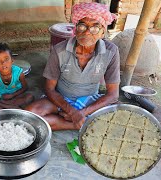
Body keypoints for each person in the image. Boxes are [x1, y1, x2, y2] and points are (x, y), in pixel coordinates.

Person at [26, 2, 120, 130]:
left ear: (102, 32)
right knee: (31, 114)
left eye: (95, 28)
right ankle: (83, 124)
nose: (87, 32)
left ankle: (74, 121)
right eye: (82, 26)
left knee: (119, 116)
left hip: (90, 100)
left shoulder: (111, 51)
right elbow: (49, 89)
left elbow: (113, 94)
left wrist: (82, 113)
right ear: (75, 29)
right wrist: (72, 112)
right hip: (62, 99)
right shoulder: (59, 50)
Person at [0, 43, 34, 109]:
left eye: (6, 59)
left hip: (16, 93)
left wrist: (12, 95)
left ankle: (3, 106)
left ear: (12, 60)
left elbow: (25, 87)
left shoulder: (18, 72)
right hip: (0, 94)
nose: (3, 63)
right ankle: (9, 107)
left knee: (29, 97)